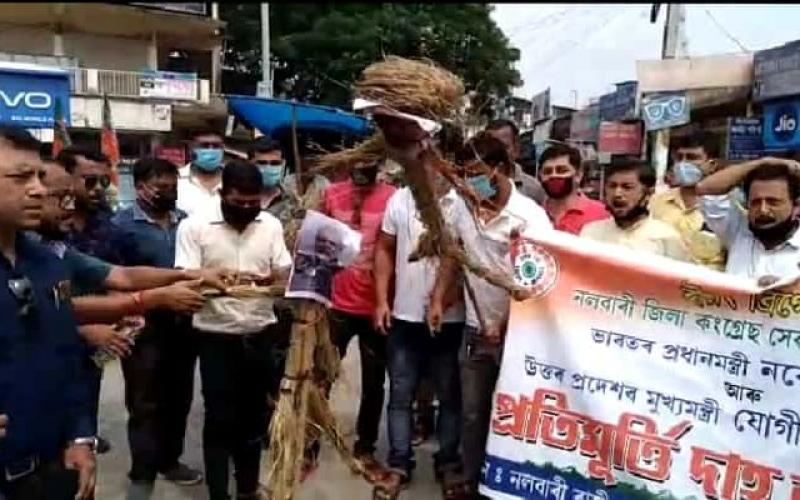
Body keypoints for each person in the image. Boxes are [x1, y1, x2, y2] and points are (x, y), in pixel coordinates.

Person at [428, 133, 553, 498]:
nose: (470, 182)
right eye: (464, 174)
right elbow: (454, 254)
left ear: (502, 170)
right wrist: (439, 298)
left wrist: (505, 323)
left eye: (477, 174)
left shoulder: (530, 217)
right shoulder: (460, 207)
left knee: (512, 414)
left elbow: (538, 281)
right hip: (474, 329)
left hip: (519, 335)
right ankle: (471, 477)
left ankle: (506, 484)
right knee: (472, 413)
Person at [175, 160, 292, 500]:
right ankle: (218, 492)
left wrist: (275, 280)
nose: (246, 209)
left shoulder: (269, 225)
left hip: (260, 331)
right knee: (219, 418)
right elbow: (183, 278)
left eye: (252, 203)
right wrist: (209, 279)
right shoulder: (195, 227)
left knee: (254, 419)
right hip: (215, 335)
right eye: (238, 202)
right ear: (223, 193)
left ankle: (247, 488)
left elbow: (283, 271)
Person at [0, 127, 96, 500]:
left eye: (39, 176)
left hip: (53, 472)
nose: (39, 189)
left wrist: (80, 436)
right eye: (20, 177)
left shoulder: (47, 263)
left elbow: (68, 360)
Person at [373, 157, 466, 489]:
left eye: (437, 163)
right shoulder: (399, 199)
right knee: (400, 394)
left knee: (450, 396)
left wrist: (443, 298)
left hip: (451, 322)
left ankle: (449, 463)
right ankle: (399, 463)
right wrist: (382, 300)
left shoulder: (462, 204)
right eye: (422, 163)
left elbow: (458, 257)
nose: (429, 171)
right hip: (404, 317)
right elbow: (384, 249)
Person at [113, 158, 206, 487]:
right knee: (144, 400)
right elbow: (113, 277)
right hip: (143, 325)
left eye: (173, 186)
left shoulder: (187, 222)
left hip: (183, 325)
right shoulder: (121, 225)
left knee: (179, 398)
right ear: (139, 187)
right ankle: (143, 469)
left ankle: (170, 460)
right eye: (161, 187)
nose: (169, 193)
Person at [320, 158, 396, 480]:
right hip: (335, 303)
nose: (363, 168)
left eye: (370, 163)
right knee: (321, 375)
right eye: (357, 163)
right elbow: (317, 241)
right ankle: (308, 442)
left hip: (376, 306)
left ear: (379, 163)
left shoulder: (394, 196)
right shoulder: (332, 194)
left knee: (374, 382)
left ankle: (365, 446)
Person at [696, 156, 800, 281]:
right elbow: (704, 189)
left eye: (773, 202)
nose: (763, 210)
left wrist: (785, 290)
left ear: (795, 205)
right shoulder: (737, 231)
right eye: (755, 202)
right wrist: (763, 162)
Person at [580, 160, 692, 262]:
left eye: (627, 187)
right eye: (612, 186)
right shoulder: (590, 232)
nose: (617, 194)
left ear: (648, 193)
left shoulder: (666, 236)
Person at [649, 133, 726, 270]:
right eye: (679, 158)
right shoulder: (655, 202)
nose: (683, 164)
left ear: (712, 165)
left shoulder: (725, 208)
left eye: (692, 158)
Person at [537, 143, 609, 234]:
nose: (553, 175)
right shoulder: (532, 214)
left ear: (578, 175)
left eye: (562, 170)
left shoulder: (602, 215)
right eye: (547, 172)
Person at [485, 119, 546, 204]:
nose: (497, 153)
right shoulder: (474, 186)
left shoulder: (534, 189)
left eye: (504, 147)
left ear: (516, 149)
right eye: (491, 147)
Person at [177, 129, 225, 217]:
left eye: (216, 146)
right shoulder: (176, 180)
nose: (211, 150)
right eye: (204, 146)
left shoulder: (236, 180)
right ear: (191, 148)